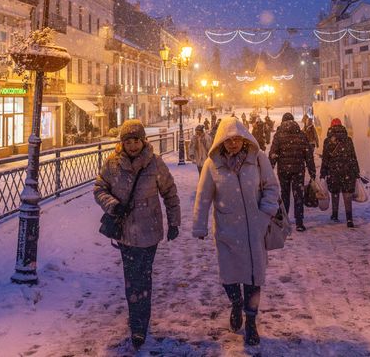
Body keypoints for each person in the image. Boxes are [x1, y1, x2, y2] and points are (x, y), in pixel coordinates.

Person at [192, 117, 281, 346]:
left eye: (237, 139)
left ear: (244, 139)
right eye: (228, 140)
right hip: (227, 231)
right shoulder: (213, 165)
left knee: (253, 278)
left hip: (254, 230)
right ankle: (235, 303)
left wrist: (264, 215)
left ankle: (251, 322)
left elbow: (272, 188)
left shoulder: (258, 160)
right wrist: (199, 225)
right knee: (229, 277)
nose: (233, 144)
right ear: (221, 141)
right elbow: (203, 197)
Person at [93, 120, 181, 349]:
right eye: (128, 141)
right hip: (125, 232)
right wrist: (112, 204)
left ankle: (140, 324)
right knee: (133, 278)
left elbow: (170, 192)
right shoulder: (112, 164)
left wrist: (174, 223)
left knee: (142, 276)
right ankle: (137, 322)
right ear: (122, 143)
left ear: (144, 141)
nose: (132, 146)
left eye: (136, 141)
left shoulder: (154, 164)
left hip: (149, 231)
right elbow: (99, 188)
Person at [269, 112, 316, 232]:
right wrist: (312, 171)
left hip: (283, 170)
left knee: (285, 194)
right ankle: (299, 222)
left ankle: (285, 221)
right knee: (298, 194)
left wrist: (270, 169)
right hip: (298, 170)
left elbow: (273, 153)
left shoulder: (279, 135)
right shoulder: (301, 135)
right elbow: (308, 154)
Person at [320, 118, 360, 228]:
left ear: (331, 127)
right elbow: (353, 157)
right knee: (347, 194)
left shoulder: (328, 141)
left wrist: (323, 173)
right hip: (347, 170)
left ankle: (335, 214)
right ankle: (349, 219)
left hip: (334, 171)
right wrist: (356, 172)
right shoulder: (348, 140)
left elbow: (325, 159)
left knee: (335, 192)